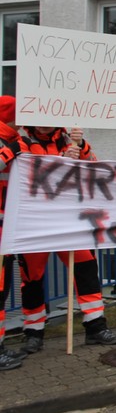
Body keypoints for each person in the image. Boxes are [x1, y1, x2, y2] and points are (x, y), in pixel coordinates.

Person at [18, 125, 116, 352]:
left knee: (86, 267)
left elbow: (94, 167)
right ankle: (33, 332)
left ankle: (95, 326)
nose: (44, 124)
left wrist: (81, 145)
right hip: (35, 223)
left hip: (68, 220)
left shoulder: (69, 140)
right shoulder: (21, 142)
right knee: (32, 278)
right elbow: (28, 175)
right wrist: (61, 160)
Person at [0, 96, 28, 370]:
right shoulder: (8, 144)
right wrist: (10, 151)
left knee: (3, 290)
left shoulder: (15, 142)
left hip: (5, 230)